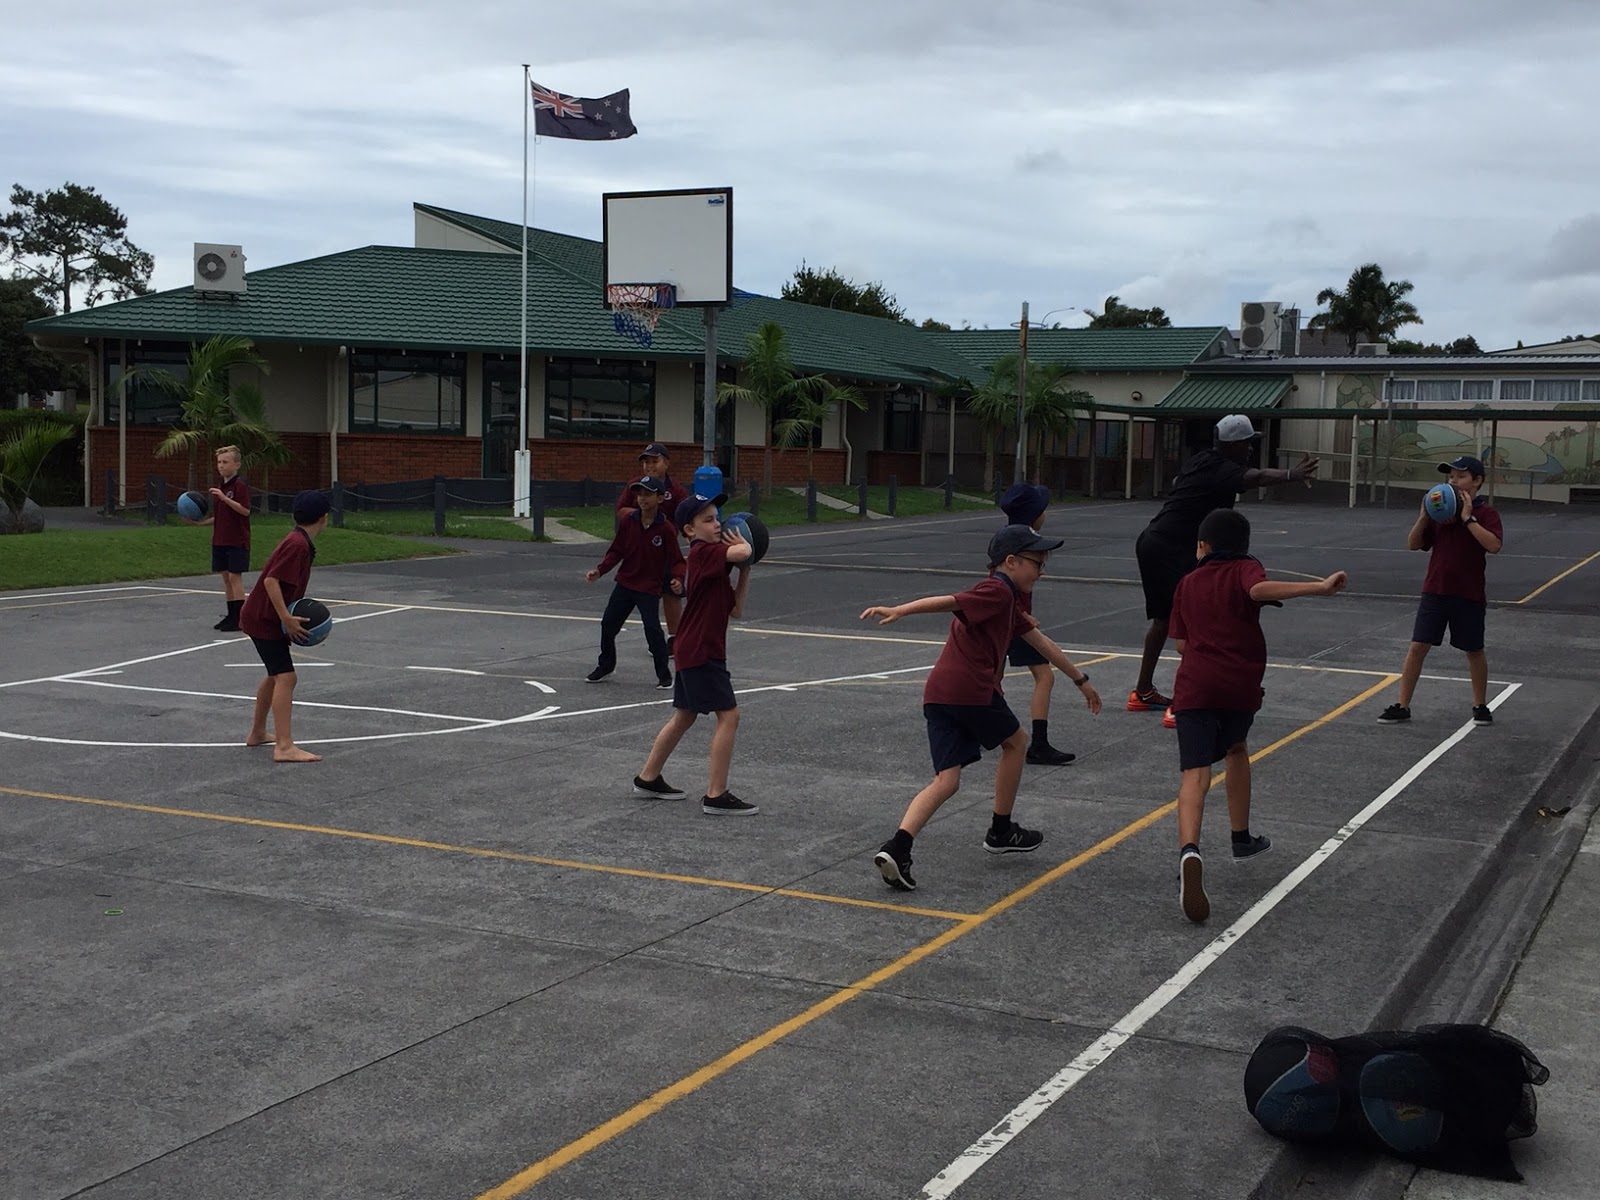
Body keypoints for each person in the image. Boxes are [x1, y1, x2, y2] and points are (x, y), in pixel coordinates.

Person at [861, 524, 1103, 892]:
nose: (1041, 571)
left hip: (939, 693)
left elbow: (1039, 641)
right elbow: (952, 600)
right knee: (1018, 743)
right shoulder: (997, 590)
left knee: (947, 780)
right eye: (1037, 562)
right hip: (970, 691)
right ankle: (1001, 830)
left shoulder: (1008, 602)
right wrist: (902, 610)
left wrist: (1080, 679)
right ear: (1011, 562)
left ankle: (898, 847)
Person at [1169, 508, 1346, 923]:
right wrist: (1318, 588)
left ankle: (1190, 852)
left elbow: (1179, 646)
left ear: (1201, 546)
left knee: (1194, 774)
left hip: (1194, 685)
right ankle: (1240, 838)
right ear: (1245, 548)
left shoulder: (1187, 583)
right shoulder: (1246, 568)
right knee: (1235, 748)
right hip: (1238, 686)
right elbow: (1257, 590)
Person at [1130, 414, 1320, 726]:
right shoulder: (1221, 468)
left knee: (1164, 621)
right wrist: (1291, 473)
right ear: (1235, 445)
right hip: (1171, 547)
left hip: (1156, 541)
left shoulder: (1204, 461)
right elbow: (1255, 477)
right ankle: (1182, 704)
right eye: (1248, 444)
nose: (1250, 450)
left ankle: (1143, 692)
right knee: (1194, 622)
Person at [632, 491, 758, 815]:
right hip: (702, 650)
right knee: (729, 716)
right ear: (689, 530)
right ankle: (716, 794)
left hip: (695, 648)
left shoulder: (716, 564)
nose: (717, 525)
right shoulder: (703, 553)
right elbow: (744, 547)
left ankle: (648, 777)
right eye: (708, 520)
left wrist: (745, 571)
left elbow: (738, 610)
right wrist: (742, 543)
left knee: (684, 716)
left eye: (718, 518)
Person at [1378, 455, 1504, 727]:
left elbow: (1494, 545)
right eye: (1451, 477)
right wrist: (1424, 517)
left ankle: (1480, 705)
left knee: (1474, 650)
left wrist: (1468, 519)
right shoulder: (1439, 513)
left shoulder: (1486, 514)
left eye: (1460, 476)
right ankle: (1402, 705)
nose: (1454, 481)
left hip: (1468, 593)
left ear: (1477, 481)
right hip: (1435, 591)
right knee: (1417, 647)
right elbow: (1413, 544)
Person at [237, 490, 331, 764]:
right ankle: (284, 746)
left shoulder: (298, 540)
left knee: (275, 674)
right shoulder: (297, 545)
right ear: (324, 518)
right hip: (264, 618)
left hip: (263, 616)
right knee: (287, 677)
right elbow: (271, 581)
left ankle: (256, 732)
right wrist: (286, 618)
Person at [998, 483, 1077, 765]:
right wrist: (1020, 614)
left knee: (993, 679)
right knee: (1045, 676)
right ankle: (1039, 743)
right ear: (1035, 514)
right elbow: (999, 581)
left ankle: (979, 729)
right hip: (1015, 620)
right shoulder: (1024, 541)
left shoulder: (1008, 536)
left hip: (1009, 618)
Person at [585, 477, 685, 688]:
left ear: (659, 498)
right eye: (639, 494)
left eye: (647, 494)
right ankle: (606, 664)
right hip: (625, 583)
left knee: (653, 630)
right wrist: (600, 570)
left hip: (649, 587)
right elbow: (616, 550)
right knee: (608, 625)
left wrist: (678, 579)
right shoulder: (628, 522)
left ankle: (664, 675)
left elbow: (677, 560)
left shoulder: (665, 529)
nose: (642, 499)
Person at [617, 442, 685, 644]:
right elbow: (621, 510)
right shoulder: (635, 486)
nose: (649, 466)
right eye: (645, 462)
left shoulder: (677, 491)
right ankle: (653, 639)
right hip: (639, 550)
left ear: (666, 463)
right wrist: (640, 514)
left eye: (654, 461)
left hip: (664, 549)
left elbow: (685, 517)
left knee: (671, 590)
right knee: (641, 593)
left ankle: (675, 638)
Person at [183, 445, 251, 631]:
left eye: (225, 462)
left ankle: (240, 617)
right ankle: (230, 615)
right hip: (220, 539)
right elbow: (220, 516)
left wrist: (225, 498)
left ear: (236, 465)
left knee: (234, 577)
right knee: (225, 578)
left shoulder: (239, 486)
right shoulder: (221, 486)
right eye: (219, 462)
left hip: (237, 539)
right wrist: (199, 523)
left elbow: (245, 511)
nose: (221, 466)